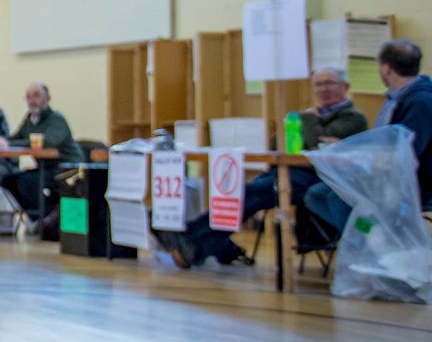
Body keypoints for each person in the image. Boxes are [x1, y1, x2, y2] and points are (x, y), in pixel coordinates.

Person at [164, 68, 367, 267]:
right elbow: (275, 144)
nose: (324, 89)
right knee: (242, 194)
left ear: (345, 87)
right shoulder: (304, 117)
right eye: (318, 84)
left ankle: (192, 238)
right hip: (289, 171)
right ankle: (197, 243)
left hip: (320, 179)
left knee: (253, 192)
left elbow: (315, 142)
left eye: (329, 83)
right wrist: (310, 136)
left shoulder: (354, 119)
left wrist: (308, 121)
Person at [306, 40, 431, 232]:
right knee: (317, 194)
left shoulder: (419, 101)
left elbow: (407, 151)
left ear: (386, 68)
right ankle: (367, 234)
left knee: (337, 198)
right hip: (386, 175)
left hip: (410, 182)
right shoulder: (398, 98)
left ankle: (374, 240)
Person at [0, 83, 85, 216]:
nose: (32, 101)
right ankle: (38, 217)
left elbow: (47, 142)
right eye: (28, 97)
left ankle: (50, 216)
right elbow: (16, 138)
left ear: (48, 98)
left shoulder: (56, 119)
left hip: (68, 168)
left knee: (26, 183)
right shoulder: (30, 119)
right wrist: (1, 141)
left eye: (36, 96)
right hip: (45, 168)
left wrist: (14, 143)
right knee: (8, 180)